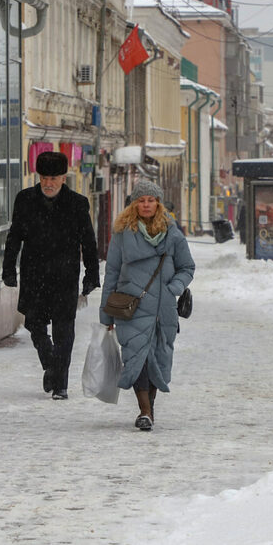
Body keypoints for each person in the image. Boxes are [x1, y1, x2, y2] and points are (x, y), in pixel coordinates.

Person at [2, 151, 100, 399]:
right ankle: (51, 363)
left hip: (64, 276)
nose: (48, 183)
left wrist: (91, 275)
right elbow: (14, 237)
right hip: (33, 274)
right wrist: (8, 269)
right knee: (34, 322)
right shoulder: (25, 200)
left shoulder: (77, 204)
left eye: (53, 178)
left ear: (63, 178)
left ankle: (61, 385)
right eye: (44, 177)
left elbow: (88, 242)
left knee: (64, 329)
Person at [99, 179, 195, 431]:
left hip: (163, 309)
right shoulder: (122, 234)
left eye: (151, 200)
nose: (146, 204)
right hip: (131, 307)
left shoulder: (173, 234)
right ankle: (145, 410)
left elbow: (187, 267)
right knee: (136, 359)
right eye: (141, 200)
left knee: (158, 359)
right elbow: (111, 272)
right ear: (134, 204)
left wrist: (173, 288)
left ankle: (149, 408)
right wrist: (105, 313)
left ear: (158, 203)